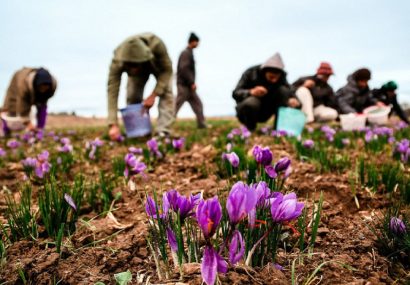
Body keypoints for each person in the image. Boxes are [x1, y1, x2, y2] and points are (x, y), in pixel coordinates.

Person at [107, 33, 174, 140]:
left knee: (166, 92)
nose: (134, 69)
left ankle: (163, 131)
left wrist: (154, 95)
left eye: (135, 66)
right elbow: (112, 90)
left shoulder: (157, 46)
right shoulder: (118, 60)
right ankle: (138, 131)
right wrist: (113, 124)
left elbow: (167, 71)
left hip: (157, 68)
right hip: (139, 72)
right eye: (130, 66)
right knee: (132, 94)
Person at [232, 53, 300, 131]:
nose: (274, 80)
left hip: (267, 110)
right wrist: (251, 92)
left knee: (284, 91)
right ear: (264, 72)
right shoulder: (250, 72)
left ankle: (279, 129)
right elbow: (235, 93)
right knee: (252, 102)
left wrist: (293, 99)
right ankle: (249, 129)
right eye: (271, 77)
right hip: (247, 111)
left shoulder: (282, 77)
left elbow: (290, 91)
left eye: (277, 77)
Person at [1, 67, 57, 137]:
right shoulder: (23, 85)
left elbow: (43, 106)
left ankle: (40, 130)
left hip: (33, 88)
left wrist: (40, 127)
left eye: (46, 87)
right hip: (18, 81)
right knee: (11, 108)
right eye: (41, 87)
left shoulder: (52, 86)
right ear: (37, 84)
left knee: (41, 105)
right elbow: (23, 105)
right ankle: (5, 129)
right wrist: (28, 123)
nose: (43, 89)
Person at [175, 32, 206, 128]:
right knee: (176, 105)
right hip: (184, 85)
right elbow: (184, 69)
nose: (198, 44)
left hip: (188, 86)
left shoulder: (189, 53)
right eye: (197, 42)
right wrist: (191, 82)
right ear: (192, 42)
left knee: (198, 104)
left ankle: (202, 124)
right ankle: (166, 125)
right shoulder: (186, 53)